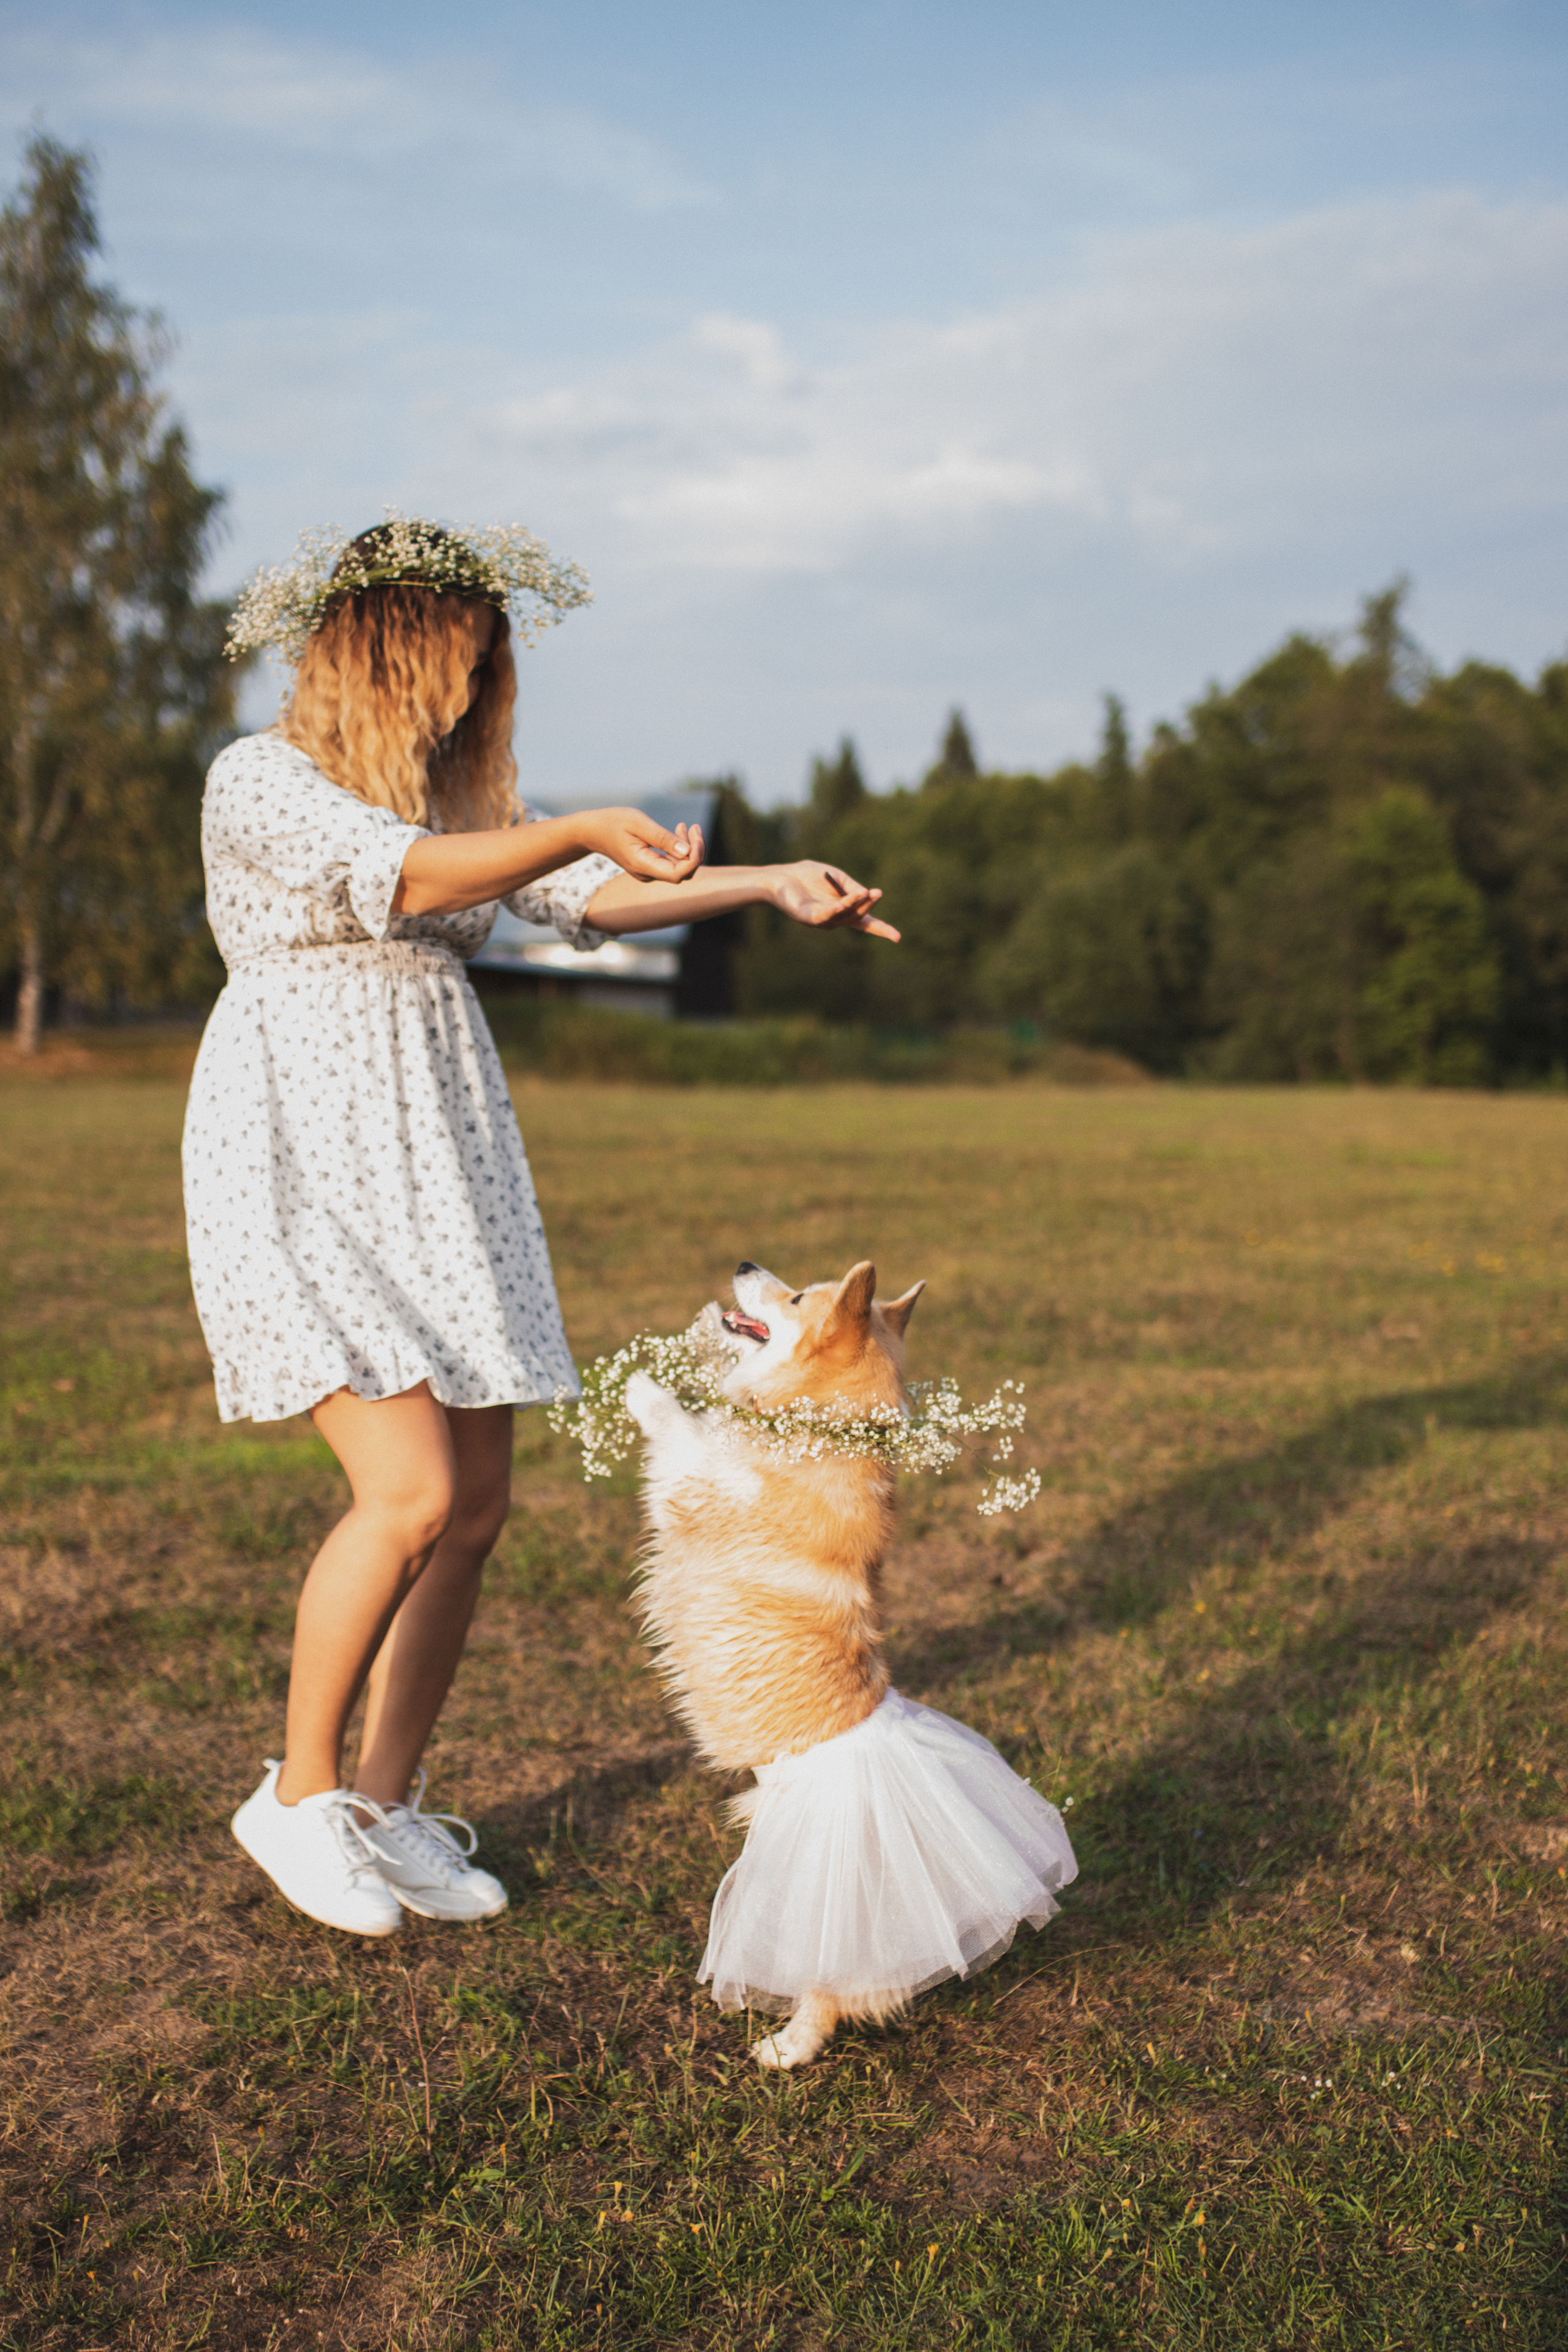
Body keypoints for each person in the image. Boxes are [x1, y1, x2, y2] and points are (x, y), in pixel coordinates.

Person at [186, 516, 898, 1937]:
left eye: (484, 668)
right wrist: (568, 824)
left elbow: (589, 895)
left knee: (474, 1510)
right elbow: (406, 877)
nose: (467, 692)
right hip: (303, 1152)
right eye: (451, 660)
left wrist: (764, 883)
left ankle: (382, 1805)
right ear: (376, 651)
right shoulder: (258, 779)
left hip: (447, 1163)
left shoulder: (461, 809)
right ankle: (298, 1794)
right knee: (407, 1494)